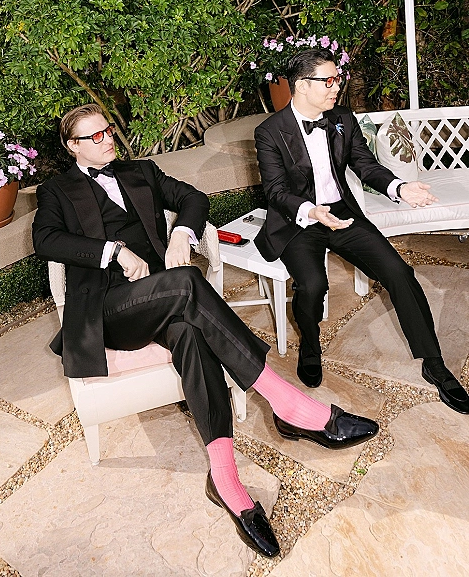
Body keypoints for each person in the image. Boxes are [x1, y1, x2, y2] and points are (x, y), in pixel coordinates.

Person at [33, 104, 380, 558]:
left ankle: (226, 481)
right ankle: (288, 403)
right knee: (188, 283)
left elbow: (195, 199)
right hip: (108, 310)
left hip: (165, 298)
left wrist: (183, 234)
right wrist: (113, 251)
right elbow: (46, 240)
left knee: (192, 333)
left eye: (107, 132)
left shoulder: (141, 171)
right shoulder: (56, 190)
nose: (106, 140)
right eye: (93, 137)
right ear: (71, 146)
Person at [254, 47, 469, 415]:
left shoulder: (342, 119)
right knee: (313, 286)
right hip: (300, 220)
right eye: (329, 80)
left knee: (399, 272)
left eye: (337, 78)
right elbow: (275, 191)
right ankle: (310, 340)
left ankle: (433, 363)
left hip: (342, 215)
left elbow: (366, 165)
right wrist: (310, 210)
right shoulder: (269, 132)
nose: (336, 87)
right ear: (302, 85)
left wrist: (399, 188)